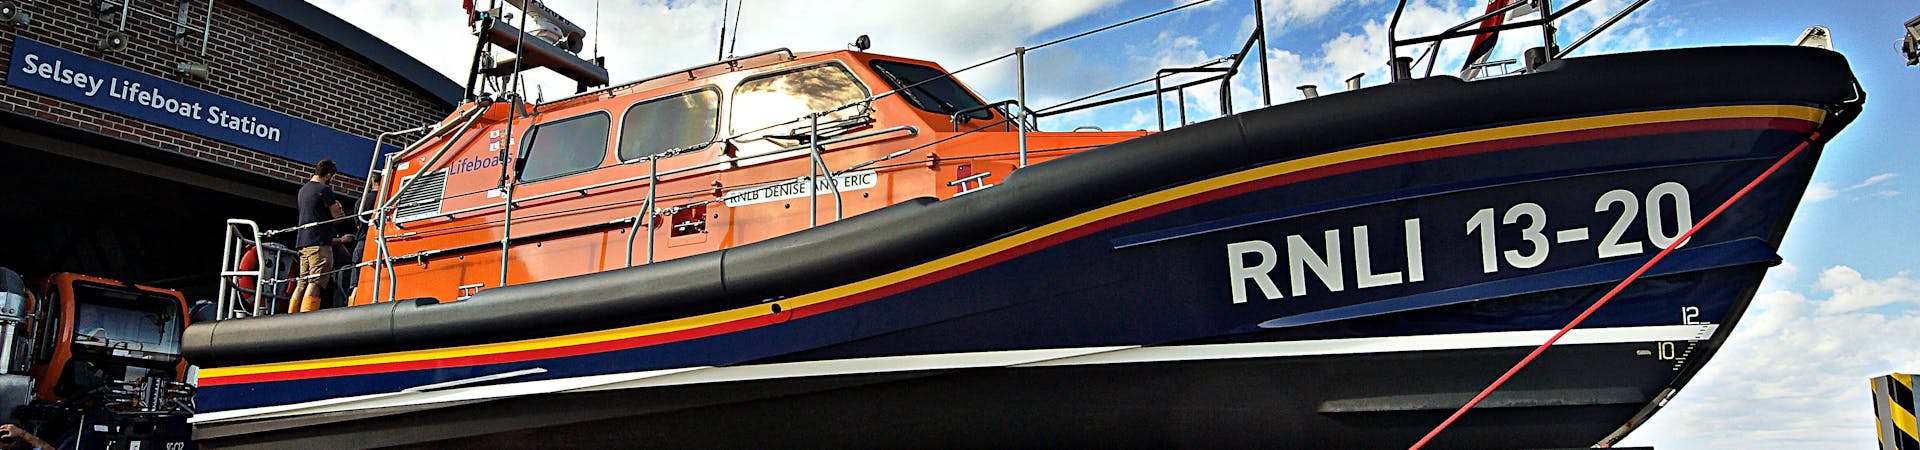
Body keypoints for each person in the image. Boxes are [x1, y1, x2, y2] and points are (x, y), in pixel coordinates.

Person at [289, 160, 355, 314]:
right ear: (329, 175)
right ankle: (306, 317)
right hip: (319, 244)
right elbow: (337, 218)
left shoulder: (303, 190)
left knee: (302, 282)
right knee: (316, 282)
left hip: (303, 243)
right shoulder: (324, 190)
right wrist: (339, 209)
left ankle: (291, 315)